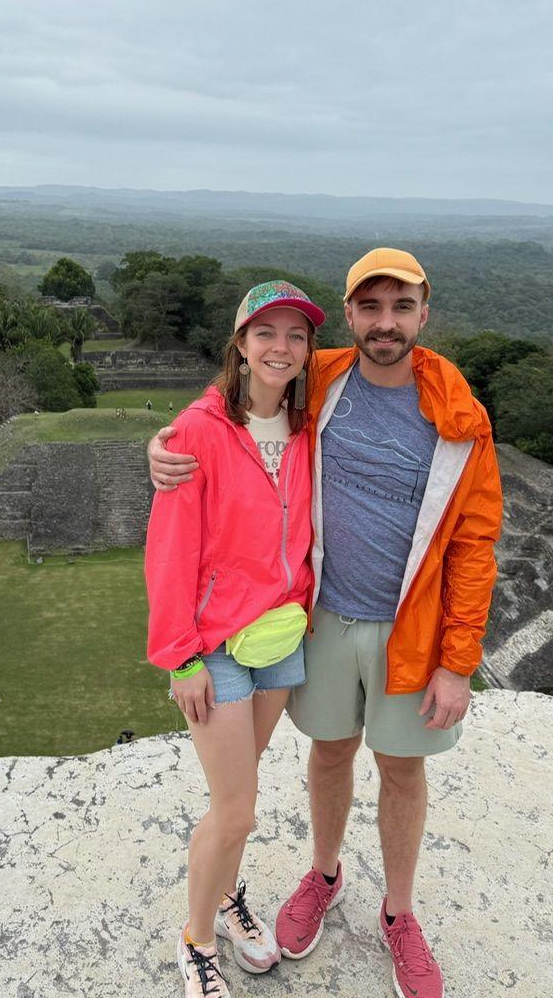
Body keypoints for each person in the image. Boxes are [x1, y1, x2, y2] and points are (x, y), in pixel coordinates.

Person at [150, 249, 502, 998]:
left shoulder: (456, 411)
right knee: (330, 756)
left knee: (403, 768)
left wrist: (457, 660)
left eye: (400, 308)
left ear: (423, 315)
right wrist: (161, 448)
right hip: (322, 620)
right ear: (348, 317)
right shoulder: (323, 383)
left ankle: (399, 915)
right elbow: (227, 410)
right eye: (370, 308)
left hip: (408, 626)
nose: (385, 323)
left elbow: (475, 542)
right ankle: (322, 874)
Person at [146, 280, 327, 998]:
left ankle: (223, 896)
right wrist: (180, 656)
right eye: (266, 333)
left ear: (311, 349)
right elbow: (169, 549)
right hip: (216, 645)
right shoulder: (199, 430)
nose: (281, 347)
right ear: (240, 346)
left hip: (280, 637)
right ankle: (194, 940)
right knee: (238, 808)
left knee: (237, 792)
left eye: (296, 335)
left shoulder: (310, 424)